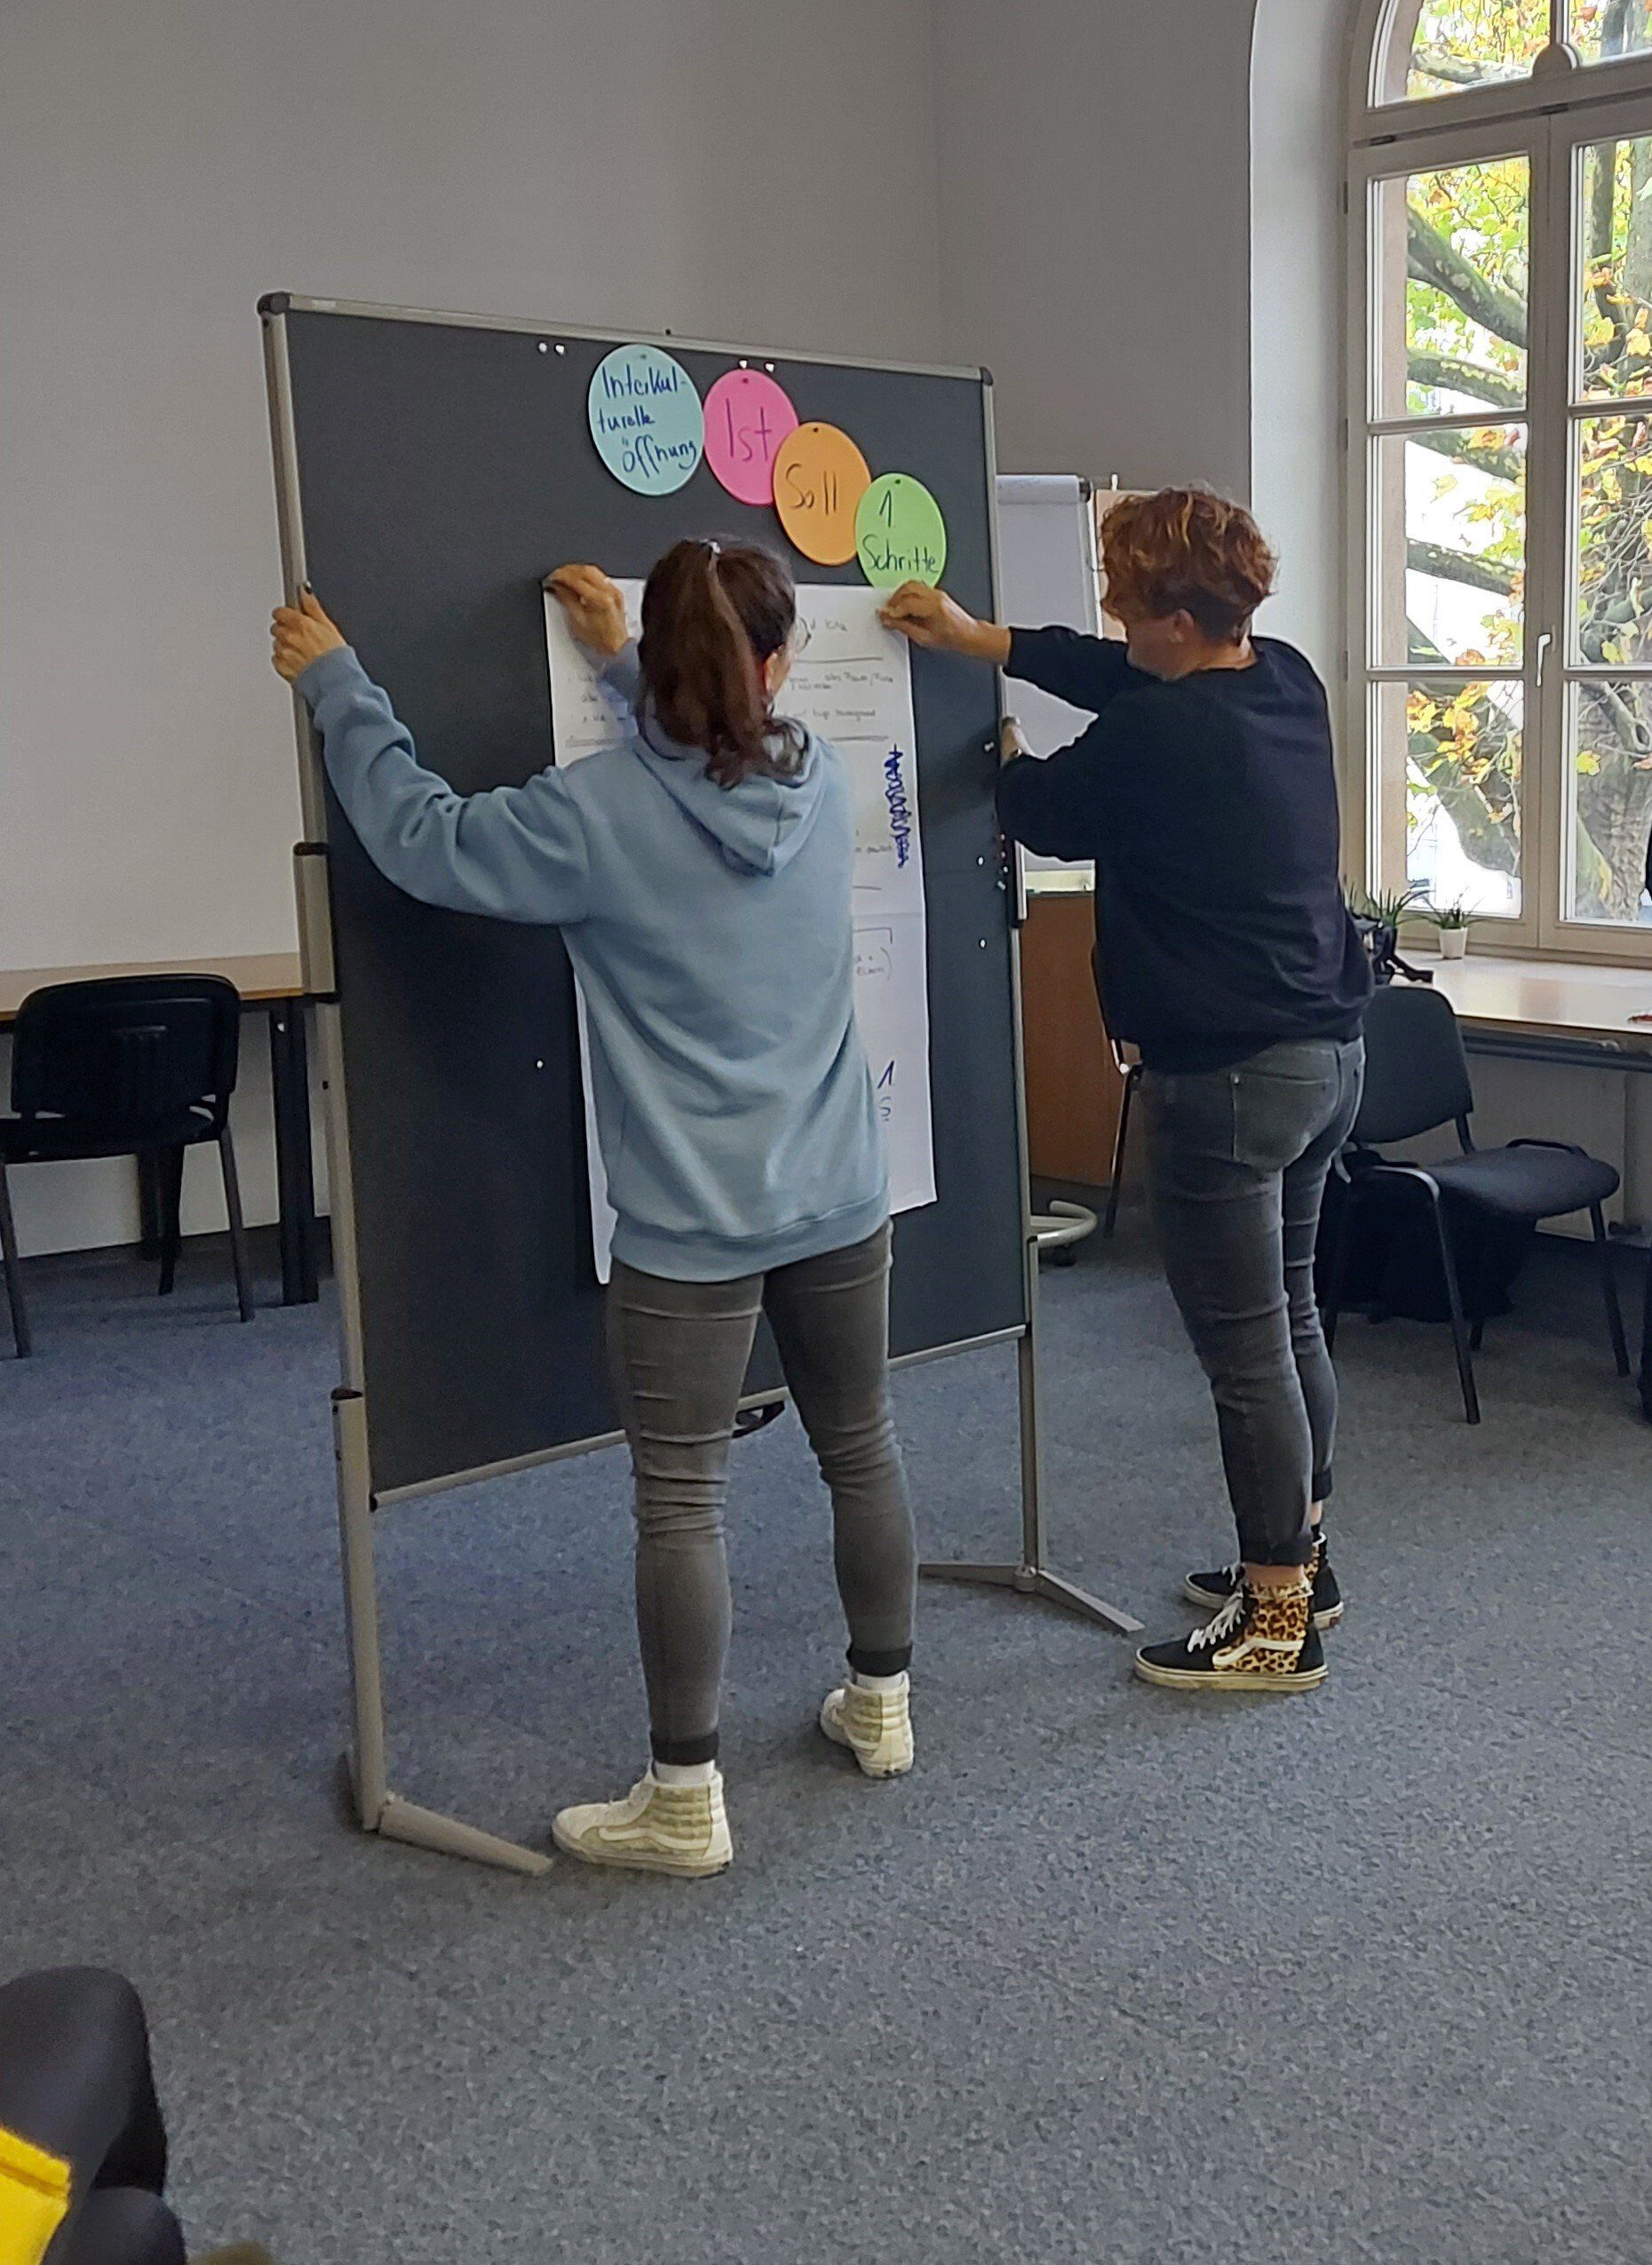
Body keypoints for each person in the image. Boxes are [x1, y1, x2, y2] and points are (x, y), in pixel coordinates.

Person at [270, 541, 918, 1877]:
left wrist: (338, 682)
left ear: (672, 671)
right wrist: (627, 657)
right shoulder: (823, 773)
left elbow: (420, 838)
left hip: (693, 1224)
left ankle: (686, 1800)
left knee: (683, 1500)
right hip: (844, 1193)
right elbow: (719, 747)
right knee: (860, 1444)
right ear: (779, 664)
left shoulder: (590, 816)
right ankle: (885, 1706)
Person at [881, 488, 1370, 1694]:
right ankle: (1302, 1558)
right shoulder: (1283, 676)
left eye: (1129, 602)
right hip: (1328, 1055)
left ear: (1181, 618)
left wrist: (996, 751)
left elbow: (1038, 808)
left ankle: (1272, 1622)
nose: (1111, 617)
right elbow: (1114, 672)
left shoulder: (1163, 738)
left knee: (1246, 1356)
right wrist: (983, 639)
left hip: (1229, 1079)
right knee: (1293, 1318)